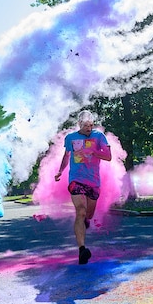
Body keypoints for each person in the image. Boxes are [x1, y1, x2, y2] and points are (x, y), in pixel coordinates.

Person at [54, 110, 111, 264]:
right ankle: (82, 250)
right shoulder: (71, 138)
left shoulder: (99, 137)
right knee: (80, 210)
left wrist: (94, 152)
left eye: (91, 125)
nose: (88, 128)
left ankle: (86, 220)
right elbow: (66, 156)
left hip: (93, 182)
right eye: (86, 125)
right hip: (76, 179)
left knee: (89, 215)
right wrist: (60, 171)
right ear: (79, 124)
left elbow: (108, 156)